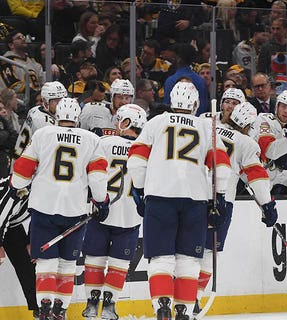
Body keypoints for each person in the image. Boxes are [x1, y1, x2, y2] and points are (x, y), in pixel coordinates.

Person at [127, 82, 229, 318]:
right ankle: (183, 309)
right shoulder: (206, 125)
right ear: (194, 104)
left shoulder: (156, 122)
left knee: (161, 258)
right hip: (195, 200)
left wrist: (140, 191)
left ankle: (162, 304)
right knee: (188, 259)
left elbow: (136, 161)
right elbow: (221, 166)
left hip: (160, 197)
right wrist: (220, 196)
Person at [10, 97, 109, 320]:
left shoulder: (43, 134)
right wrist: (101, 201)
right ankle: (60, 310)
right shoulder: (92, 139)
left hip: (43, 209)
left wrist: (17, 186)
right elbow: (98, 177)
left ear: (57, 116)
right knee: (67, 262)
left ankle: (44, 308)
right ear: (77, 117)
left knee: (46, 262)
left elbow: (23, 169)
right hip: (74, 211)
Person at [195, 101, 278, 315]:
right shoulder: (247, 143)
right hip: (223, 201)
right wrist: (267, 204)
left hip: (193, 195)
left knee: (186, 249)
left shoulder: (206, 124)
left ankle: (179, 296)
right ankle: (194, 297)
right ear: (249, 125)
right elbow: (257, 177)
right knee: (209, 252)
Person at [81, 104, 147, 320]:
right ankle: (109, 306)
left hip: (101, 211)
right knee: (120, 264)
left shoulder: (104, 142)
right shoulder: (146, 149)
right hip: (131, 216)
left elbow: (91, 173)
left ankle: (92, 304)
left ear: (126, 122)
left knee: (94, 260)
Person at [252, 90, 287, 193]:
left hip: (274, 185)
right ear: (277, 106)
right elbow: (270, 151)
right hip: (254, 181)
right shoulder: (264, 120)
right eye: (283, 106)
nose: (286, 110)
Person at [163, 43, 210, 116]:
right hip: (197, 123)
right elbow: (203, 107)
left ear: (179, 59)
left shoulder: (170, 81)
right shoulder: (201, 81)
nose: (173, 59)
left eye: (175, 56)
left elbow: (166, 107)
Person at [0, 31, 45, 103]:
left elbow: (42, 80)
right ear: (11, 45)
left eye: (23, 37)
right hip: (20, 100)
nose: (23, 39)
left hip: (38, 99)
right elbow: (13, 84)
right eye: (19, 38)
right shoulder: (6, 62)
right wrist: (34, 94)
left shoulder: (33, 62)